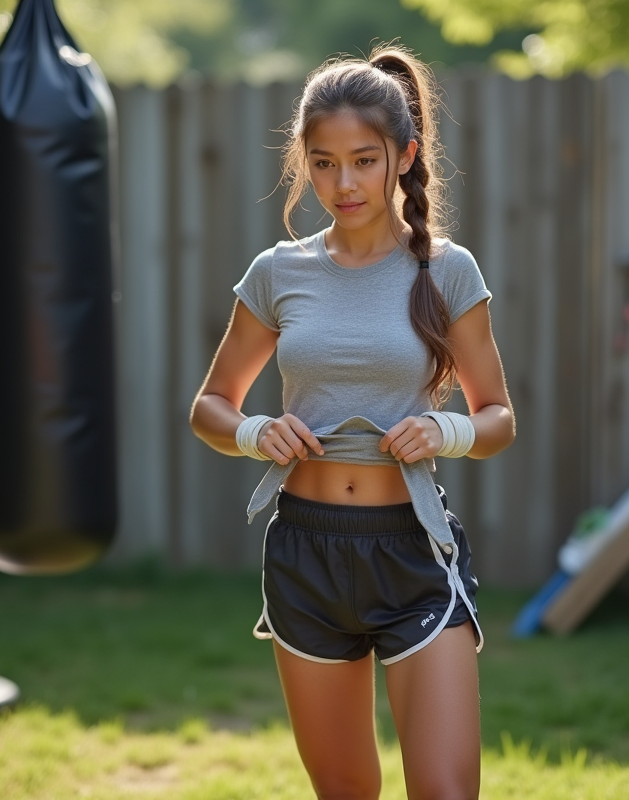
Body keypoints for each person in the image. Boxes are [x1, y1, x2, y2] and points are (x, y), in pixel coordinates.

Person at [189, 44, 514, 800]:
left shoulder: (448, 270)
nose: (344, 183)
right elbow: (210, 406)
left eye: (364, 160)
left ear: (403, 155)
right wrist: (252, 431)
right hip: (306, 552)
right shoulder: (278, 271)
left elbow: (498, 418)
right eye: (325, 162)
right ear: (304, 161)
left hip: (413, 557)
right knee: (344, 792)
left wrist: (448, 431)